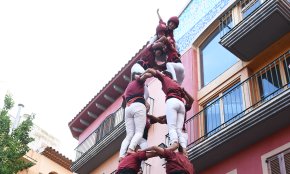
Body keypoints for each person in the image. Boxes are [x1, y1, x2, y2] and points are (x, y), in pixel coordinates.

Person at [140, 68, 186, 151]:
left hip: (172, 101)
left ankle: (174, 143)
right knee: (179, 130)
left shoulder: (164, 77)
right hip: (181, 104)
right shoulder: (177, 84)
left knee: (172, 127)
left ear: (165, 74)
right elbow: (186, 97)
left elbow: (151, 70)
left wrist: (142, 75)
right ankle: (184, 151)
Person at [119, 72, 152, 161]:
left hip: (128, 108)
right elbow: (144, 78)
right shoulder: (138, 81)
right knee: (139, 133)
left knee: (129, 135)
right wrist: (153, 73)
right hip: (138, 106)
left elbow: (123, 103)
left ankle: (121, 155)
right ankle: (131, 149)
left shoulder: (128, 87)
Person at [159, 87, 194, 156]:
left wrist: (184, 92)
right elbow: (161, 120)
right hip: (179, 133)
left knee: (182, 153)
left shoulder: (183, 107)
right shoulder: (177, 110)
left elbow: (191, 101)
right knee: (181, 153)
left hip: (181, 132)